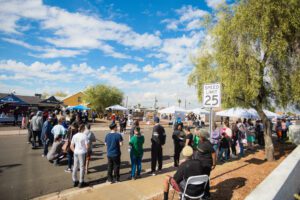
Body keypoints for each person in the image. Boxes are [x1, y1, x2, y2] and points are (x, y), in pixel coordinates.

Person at [193, 131, 216, 199]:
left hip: (206, 165)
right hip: (200, 164)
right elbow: (198, 150)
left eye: (199, 136)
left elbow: (214, 153)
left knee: (205, 179)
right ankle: (202, 193)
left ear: (203, 136)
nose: (198, 137)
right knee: (201, 179)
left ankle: (206, 195)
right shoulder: (200, 141)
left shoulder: (207, 144)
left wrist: (214, 164)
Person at [70, 124, 89, 188]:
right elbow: (87, 146)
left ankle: (75, 180)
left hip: (76, 152)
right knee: (82, 167)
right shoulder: (84, 136)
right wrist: (86, 152)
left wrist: (75, 151)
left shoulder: (75, 135)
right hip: (82, 152)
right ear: (83, 129)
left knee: (75, 166)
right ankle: (81, 181)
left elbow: (71, 146)